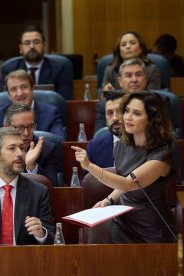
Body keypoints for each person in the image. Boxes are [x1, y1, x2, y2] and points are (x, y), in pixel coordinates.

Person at [72, 91, 177, 243]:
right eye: (127, 111)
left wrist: (89, 166)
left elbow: (128, 184)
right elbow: (123, 182)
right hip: (122, 225)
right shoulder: (121, 146)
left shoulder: (162, 155)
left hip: (151, 227)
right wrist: (109, 199)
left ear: (152, 119)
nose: (127, 117)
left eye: (136, 113)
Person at [0, 103, 61, 186]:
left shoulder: (47, 149)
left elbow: (52, 187)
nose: (26, 133)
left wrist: (31, 167)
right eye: (20, 127)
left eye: (31, 126)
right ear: (6, 127)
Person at [95, 58, 180, 135]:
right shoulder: (108, 103)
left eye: (138, 74)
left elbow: (166, 134)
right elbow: (99, 135)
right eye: (128, 75)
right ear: (120, 81)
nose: (134, 80)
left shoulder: (160, 101)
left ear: (145, 78)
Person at [0, 25, 73, 100]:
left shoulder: (60, 67)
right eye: (27, 43)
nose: (32, 46)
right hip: (19, 110)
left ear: (44, 46)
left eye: (36, 42)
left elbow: (64, 100)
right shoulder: (9, 68)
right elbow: (3, 100)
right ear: (20, 48)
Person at [0, 69, 65, 141]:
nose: (20, 93)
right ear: (9, 94)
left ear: (32, 89)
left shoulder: (51, 113)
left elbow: (58, 141)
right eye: (13, 89)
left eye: (24, 87)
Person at [83, 91, 124, 180]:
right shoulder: (94, 147)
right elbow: (87, 184)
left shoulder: (143, 144)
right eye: (109, 113)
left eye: (120, 111)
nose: (115, 118)